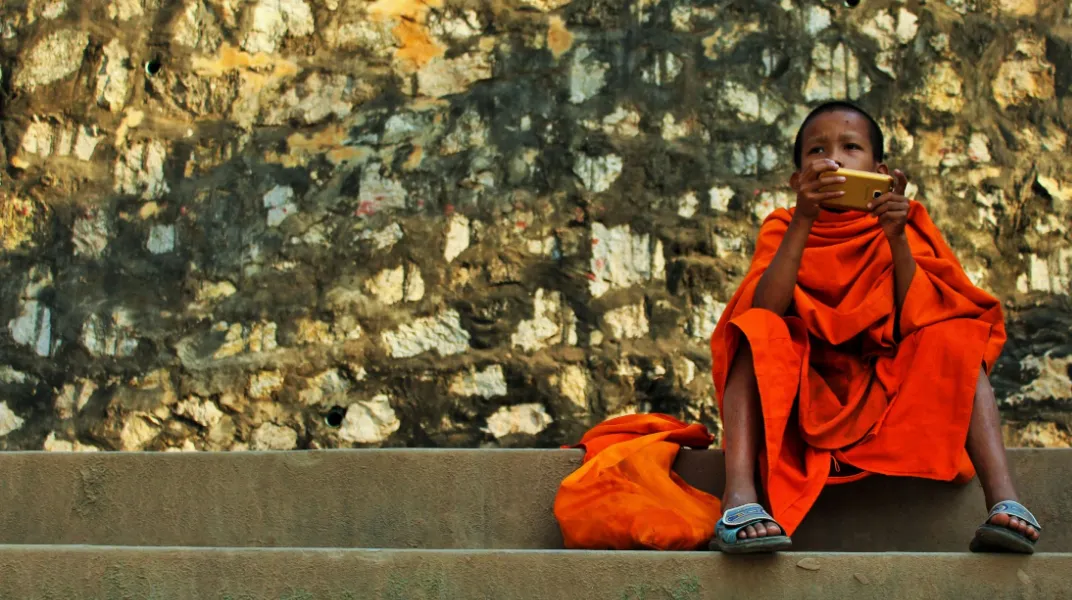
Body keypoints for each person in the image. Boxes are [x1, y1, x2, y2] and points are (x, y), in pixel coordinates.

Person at [708, 101, 1043, 554]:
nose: (834, 159)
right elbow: (768, 306)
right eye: (817, 150)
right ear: (796, 178)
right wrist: (804, 220)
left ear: (880, 170)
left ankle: (1005, 499)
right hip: (808, 386)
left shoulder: (904, 221)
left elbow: (918, 319)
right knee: (754, 331)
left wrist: (897, 236)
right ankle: (740, 497)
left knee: (957, 336)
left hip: (882, 384)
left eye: (851, 147)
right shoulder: (784, 225)